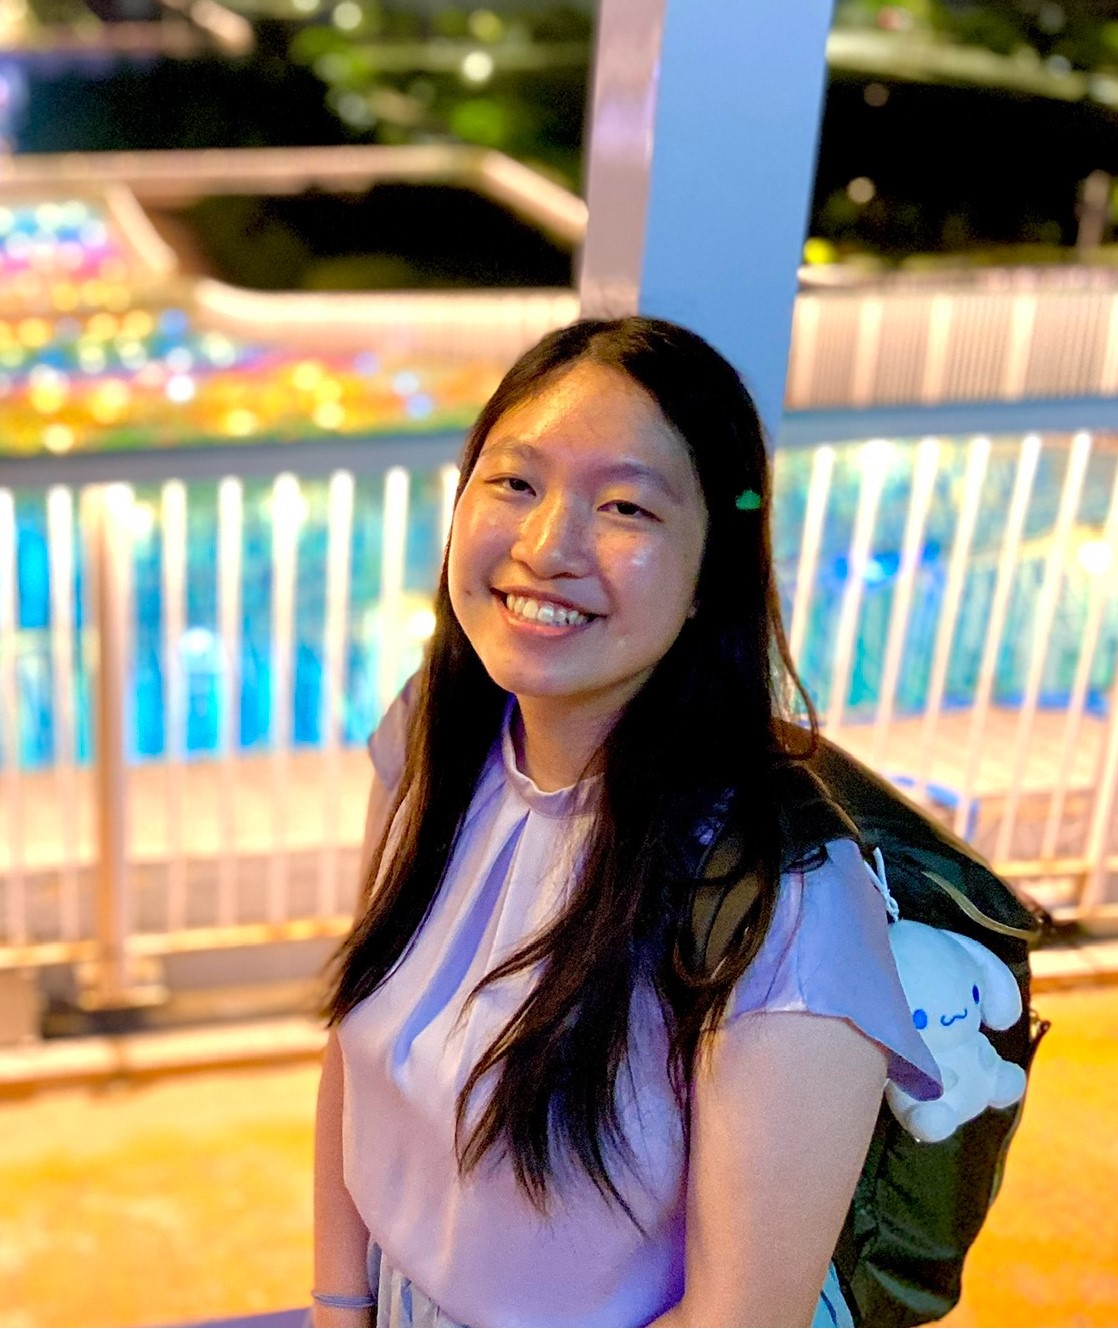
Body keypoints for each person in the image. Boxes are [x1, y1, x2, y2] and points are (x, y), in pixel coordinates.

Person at [311, 316, 941, 1329]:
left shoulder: (784, 903)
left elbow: (739, 1320)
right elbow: (359, 1055)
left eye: (624, 507)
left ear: (708, 576)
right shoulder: (437, 737)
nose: (544, 547)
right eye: (514, 482)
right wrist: (340, 1304)